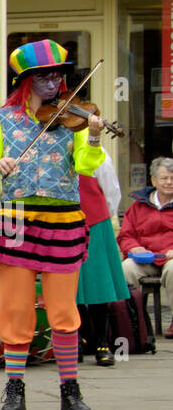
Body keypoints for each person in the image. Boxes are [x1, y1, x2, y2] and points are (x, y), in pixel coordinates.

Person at [0, 39, 105, 410]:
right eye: (44, 77)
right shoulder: (5, 119)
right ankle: (15, 387)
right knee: (15, 309)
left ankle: (69, 389)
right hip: (15, 221)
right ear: (25, 82)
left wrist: (92, 135)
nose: (54, 84)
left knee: (63, 310)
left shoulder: (71, 118)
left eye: (58, 76)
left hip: (62, 221)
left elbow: (87, 166)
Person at [76, 153, 125, 364]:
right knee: (68, 285)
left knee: (98, 283)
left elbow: (112, 192)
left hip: (94, 221)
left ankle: (102, 342)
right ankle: (77, 340)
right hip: (62, 222)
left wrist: (101, 216)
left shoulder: (98, 154)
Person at [117, 156, 173, 338]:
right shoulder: (138, 206)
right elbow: (125, 235)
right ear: (154, 180)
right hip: (146, 258)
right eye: (164, 178)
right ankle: (133, 321)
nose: (169, 182)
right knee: (126, 269)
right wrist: (133, 248)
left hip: (171, 258)